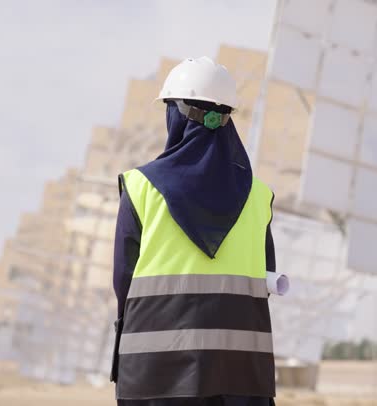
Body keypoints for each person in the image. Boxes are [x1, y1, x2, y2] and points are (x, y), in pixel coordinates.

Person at [111, 56, 277, 406]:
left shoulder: (140, 187)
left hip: (156, 374)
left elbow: (124, 278)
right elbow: (266, 277)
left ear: (176, 114)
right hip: (242, 375)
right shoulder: (259, 196)